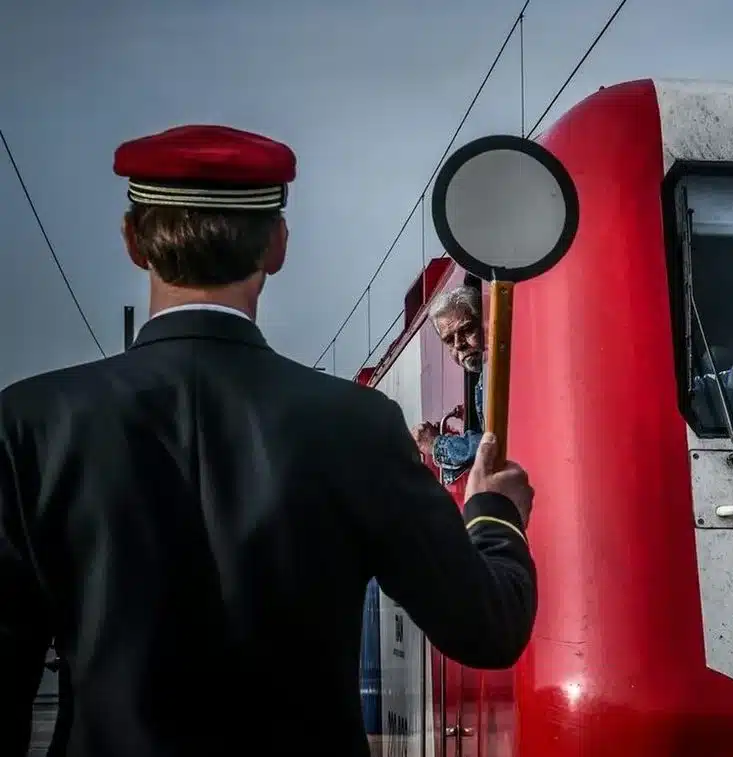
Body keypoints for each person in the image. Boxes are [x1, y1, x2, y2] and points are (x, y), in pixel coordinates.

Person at [0, 125, 537, 757]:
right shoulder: (356, 424)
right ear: (277, 245)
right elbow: (487, 629)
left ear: (133, 242)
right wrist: (494, 513)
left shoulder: (31, 423)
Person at [414, 285, 484, 485]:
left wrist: (437, 444)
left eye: (467, 330)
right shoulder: (481, 382)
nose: (458, 344)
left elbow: (499, 443)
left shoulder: (506, 370)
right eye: (449, 340)